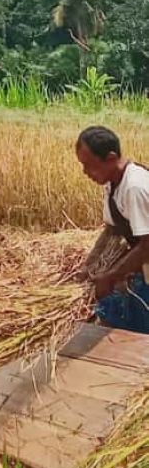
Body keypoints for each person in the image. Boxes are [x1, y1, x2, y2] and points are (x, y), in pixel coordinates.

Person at [76, 125, 149, 334]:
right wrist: (88, 266)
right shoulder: (113, 183)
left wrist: (111, 277)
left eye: (89, 165)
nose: (85, 172)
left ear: (110, 158)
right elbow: (112, 231)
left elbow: (146, 246)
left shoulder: (135, 187)